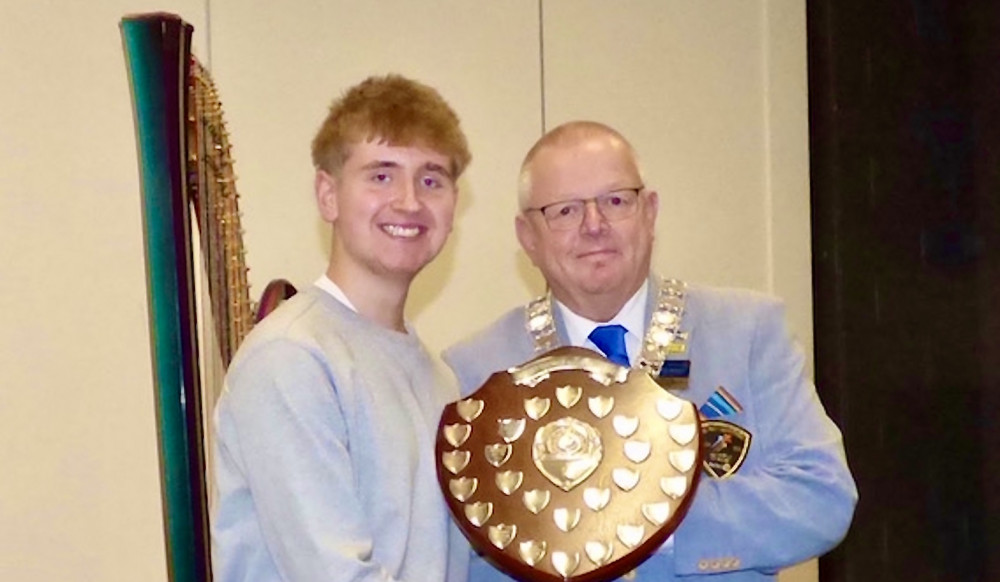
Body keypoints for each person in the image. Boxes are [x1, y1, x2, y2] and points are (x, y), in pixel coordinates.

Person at [443, 121, 857, 581]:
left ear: (650, 212)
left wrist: (643, 513)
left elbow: (822, 497)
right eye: (564, 211)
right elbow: (459, 554)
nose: (594, 225)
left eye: (615, 201)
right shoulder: (475, 372)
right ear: (528, 237)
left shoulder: (747, 332)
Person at [211, 74, 471, 581]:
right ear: (327, 195)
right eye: (381, 175)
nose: (410, 201)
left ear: (453, 206)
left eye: (431, 179)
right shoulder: (290, 358)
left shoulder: (440, 378)